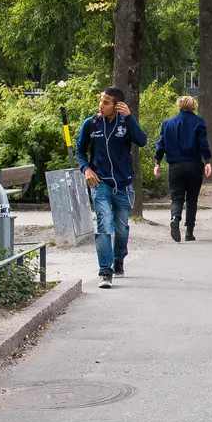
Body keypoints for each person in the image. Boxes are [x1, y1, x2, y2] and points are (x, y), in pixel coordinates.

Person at [75, 87, 148, 288]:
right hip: (101, 183)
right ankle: (105, 272)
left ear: (117, 105)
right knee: (104, 225)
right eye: (101, 101)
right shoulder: (91, 124)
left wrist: (130, 118)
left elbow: (142, 141)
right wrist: (86, 169)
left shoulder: (125, 123)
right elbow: (80, 151)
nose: (101, 105)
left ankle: (119, 258)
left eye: (106, 102)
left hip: (123, 184)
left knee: (122, 229)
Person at [153, 95, 212, 243]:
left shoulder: (168, 124)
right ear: (193, 106)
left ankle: (175, 218)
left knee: (176, 197)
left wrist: (157, 162)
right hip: (194, 164)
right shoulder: (199, 122)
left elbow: (161, 144)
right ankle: (189, 231)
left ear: (178, 106)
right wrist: (208, 161)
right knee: (192, 198)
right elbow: (203, 144)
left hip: (175, 166)